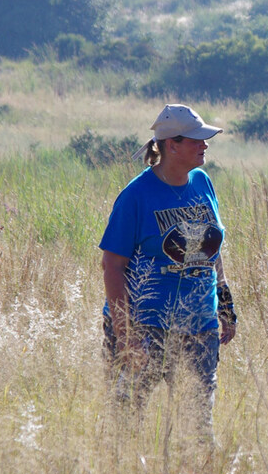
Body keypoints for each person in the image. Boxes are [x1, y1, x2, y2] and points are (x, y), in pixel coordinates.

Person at [100, 104, 237, 443]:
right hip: (146, 326)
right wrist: (126, 333)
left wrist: (225, 305)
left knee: (198, 427)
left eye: (205, 140)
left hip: (199, 326)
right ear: (171, 145)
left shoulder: (203, 182)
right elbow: (112, 266)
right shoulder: (136, 195)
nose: (205, 145)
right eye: (196, 140)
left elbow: (211, 249)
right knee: (127, 422)